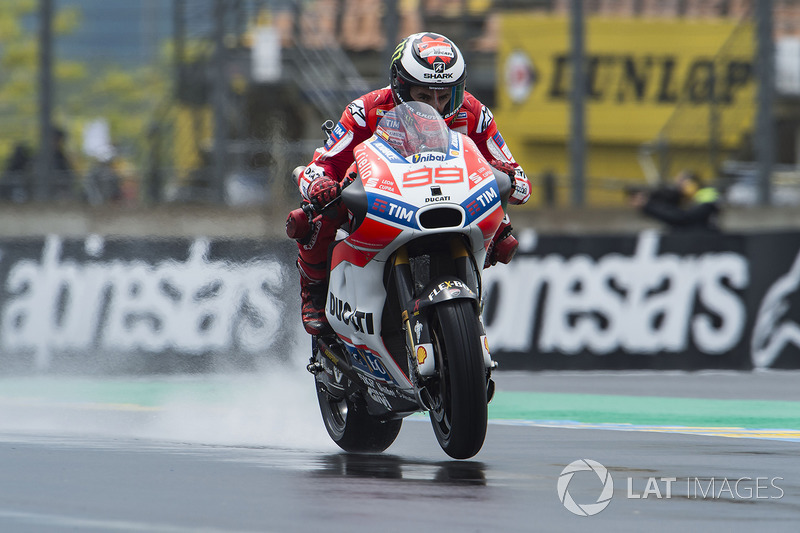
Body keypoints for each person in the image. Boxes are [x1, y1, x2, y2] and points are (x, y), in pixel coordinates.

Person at [290, 32, 532, 335]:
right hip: (384, 202)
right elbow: (318, 166)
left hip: (453, 201)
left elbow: (521, 182)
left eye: (445, 96)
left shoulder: (475, 114)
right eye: (424, 96)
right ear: (401, 85)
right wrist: (319, 185)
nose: (438, 105)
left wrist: (504, 174)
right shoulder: (365, 110)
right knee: (317, 212)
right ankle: (314, 291)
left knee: (504, 231)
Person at [630, 169, 721, 232]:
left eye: (682, 183)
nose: (679, 188)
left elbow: (682, 218)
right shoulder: (696, 197)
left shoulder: (707, 195)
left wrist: (648, 205)